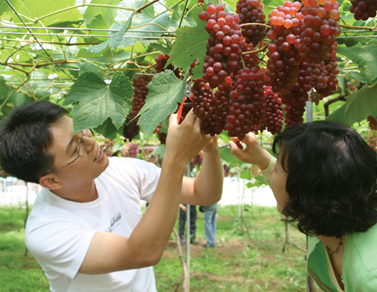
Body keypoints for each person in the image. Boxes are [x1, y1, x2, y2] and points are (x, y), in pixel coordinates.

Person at [0, 101, 224, 292]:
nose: (90, 142)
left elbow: (203, 193)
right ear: (51, 181)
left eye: (83, 131)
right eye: (76, 147)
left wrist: (210, 148)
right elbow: (142, 253)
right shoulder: (46, 231)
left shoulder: (122, 171)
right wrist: (175, 160)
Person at [229, 121, 377, 292]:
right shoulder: (341, 212)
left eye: (278, 169)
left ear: (306, 191)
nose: (272, 171)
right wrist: (262, 159)